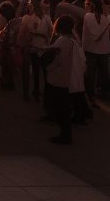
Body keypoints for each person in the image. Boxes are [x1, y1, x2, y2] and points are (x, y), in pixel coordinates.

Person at [41, 16, 79, 145]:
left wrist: (48, 67)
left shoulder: (62, 42)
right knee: (62, 108)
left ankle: (65, 135)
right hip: (65, 78)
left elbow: (56, 60)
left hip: (58, 78)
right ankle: (65, 133)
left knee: (60, 109)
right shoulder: (71, 41)